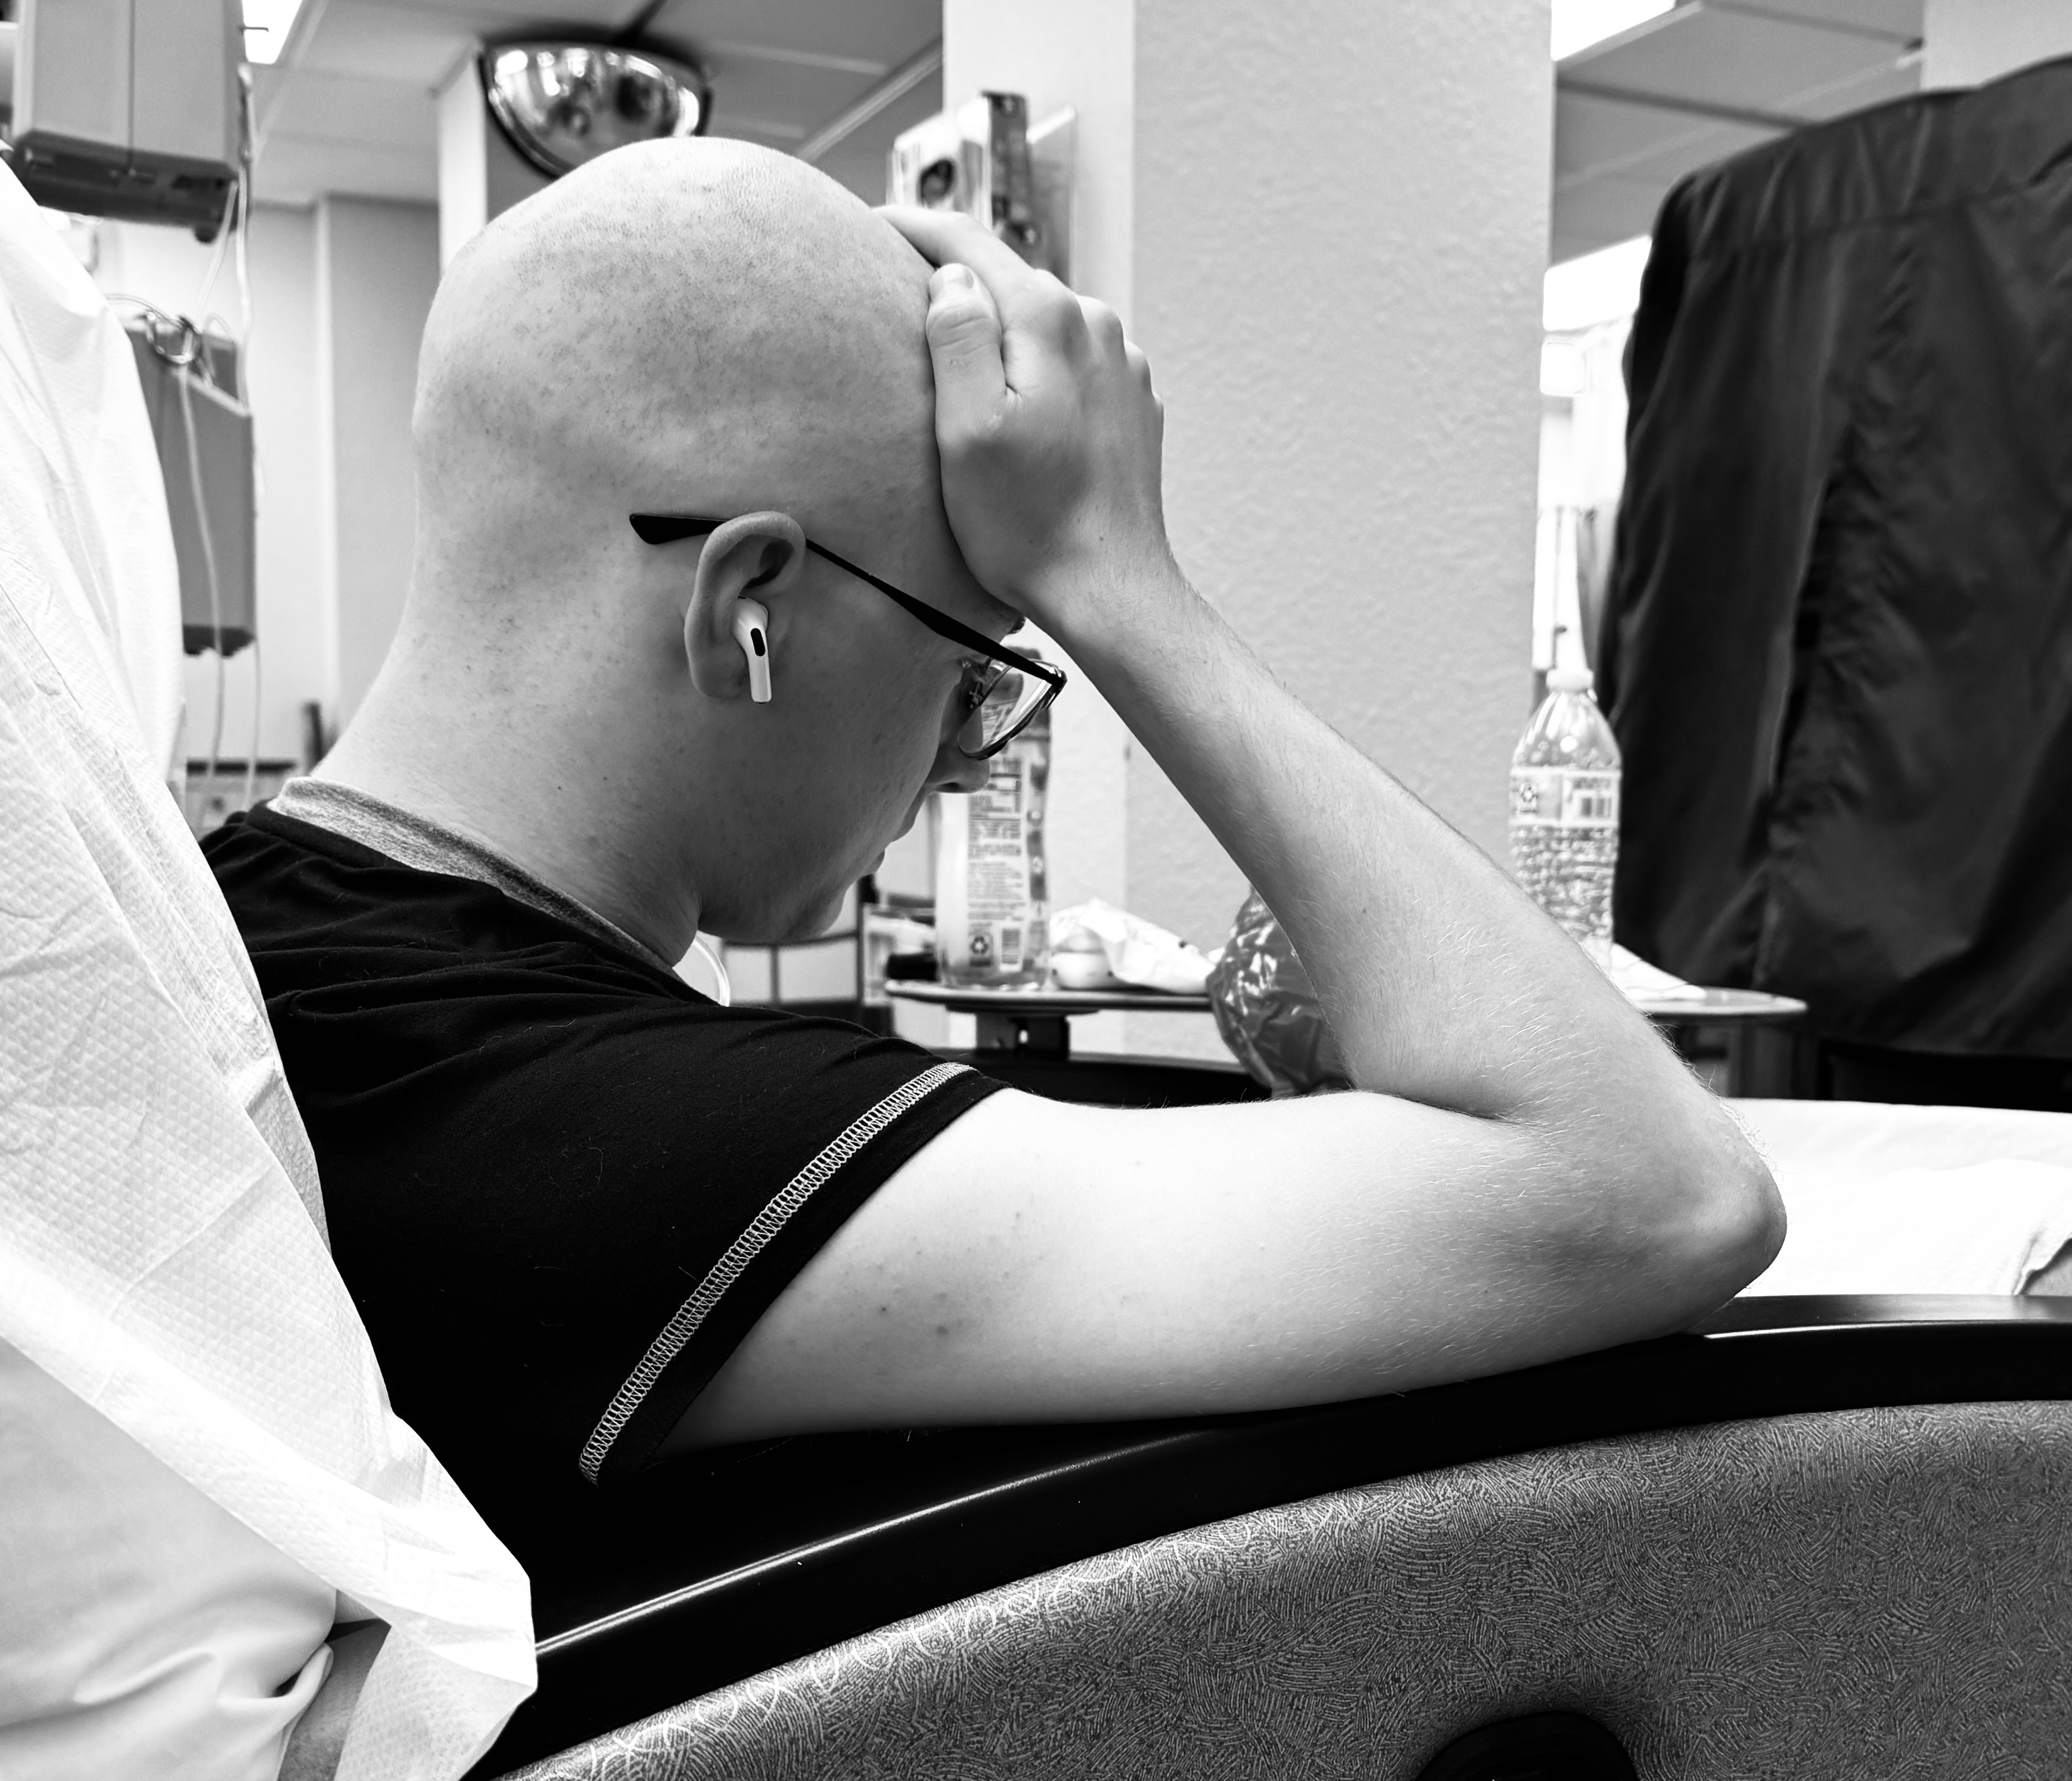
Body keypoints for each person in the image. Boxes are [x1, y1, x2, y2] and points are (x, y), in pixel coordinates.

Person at [203, 139, 1781, 1557]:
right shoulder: (561, 1133)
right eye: (973, 660)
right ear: (748, 609)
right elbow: (1651, 1191)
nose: (970, 754)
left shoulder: (249, 943)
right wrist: (1110, 570)